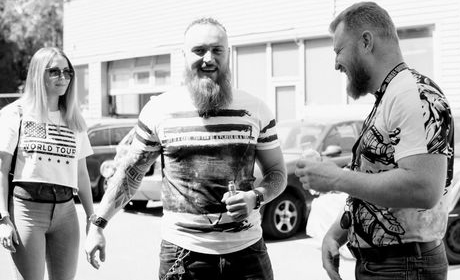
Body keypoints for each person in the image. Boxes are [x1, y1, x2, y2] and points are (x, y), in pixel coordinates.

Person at [85, 17, 287, 280]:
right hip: (182, 256)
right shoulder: (159, 110)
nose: (208, 58)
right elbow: (130, 173)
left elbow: (277, 172)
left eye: (217, 50)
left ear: (228, 54)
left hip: (247, 255)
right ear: (183, 56)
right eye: (199, 50)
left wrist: (255, 198)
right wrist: (99, 224)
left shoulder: (256, 109)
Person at [295, 2, 454, 280]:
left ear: (366, 41)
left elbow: (424, 188)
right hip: (392, 265)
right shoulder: (392, 96)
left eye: (338, 50)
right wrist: (336, 233)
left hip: (402, 267)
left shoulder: (413, 94)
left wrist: (334, 178)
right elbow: (378, 190)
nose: (335, 64)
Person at [0, 47, 95, 280]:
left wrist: (92, 219)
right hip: (27, 210)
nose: (63, 78)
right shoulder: (16, 113)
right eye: (54, 71)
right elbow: (1, 169)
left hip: (66, 212)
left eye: (67, 72)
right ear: (38, 74)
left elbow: (81, 174)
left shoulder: (74, 118)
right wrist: (3, 218)